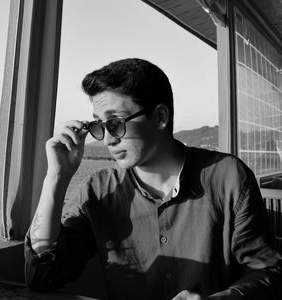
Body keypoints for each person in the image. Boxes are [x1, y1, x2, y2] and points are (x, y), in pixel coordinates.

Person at [25, 58, 282, 300]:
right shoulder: (99, 190)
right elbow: (42, 276)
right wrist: (56, 177)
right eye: (99, 126)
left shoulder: (228, 176)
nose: (107, 138)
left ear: (160, 116)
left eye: (115, 122)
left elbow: (268, 271)